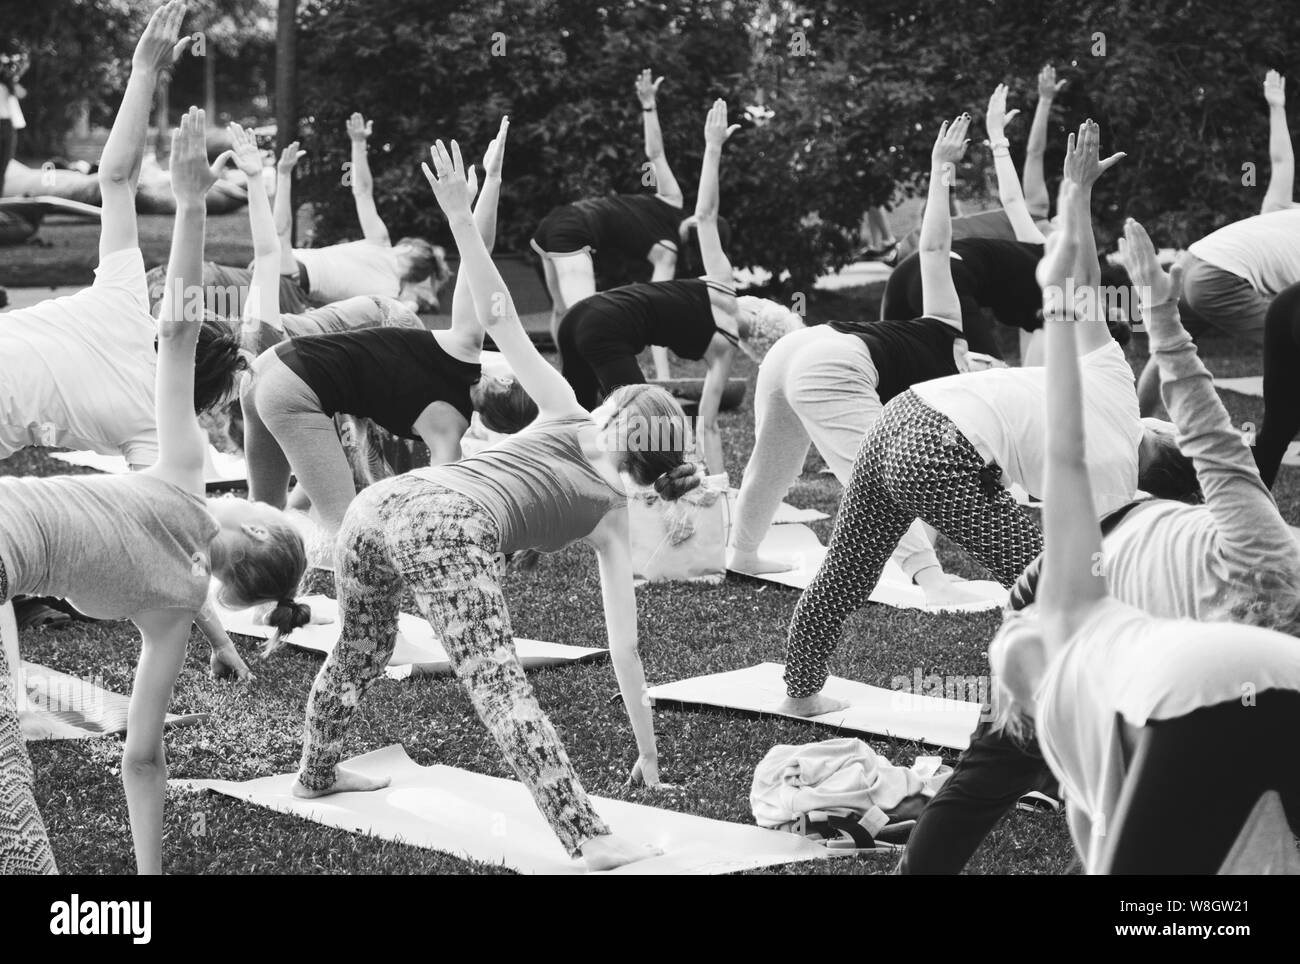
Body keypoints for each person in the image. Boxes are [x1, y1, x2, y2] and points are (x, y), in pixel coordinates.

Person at [290, 135, 700, 872]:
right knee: (497, 683)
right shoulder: (613, 513)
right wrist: (646, 749)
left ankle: (316, 772)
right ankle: (588, 835)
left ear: (616, 418)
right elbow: (625, 648)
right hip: (444, 522)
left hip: (380, 504)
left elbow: (504, 315)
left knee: (360, 646)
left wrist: (467, 214)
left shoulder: (569, 412)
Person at [901, 217, 1300, 874]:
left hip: (1203, 691)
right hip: (1232, 684)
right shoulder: (1096, 590)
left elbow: (1086, 447)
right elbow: (1105, 444)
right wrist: (1122, 303)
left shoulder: (1065, 594)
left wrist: (1102, 300)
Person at [777, 122, 1196, 718]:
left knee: (848, 568)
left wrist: (1076, 194)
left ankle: (801, 692)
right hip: (939, 446)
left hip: (904, 413)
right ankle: (1050, 721)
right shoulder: (1113, 487)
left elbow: (1081, 283)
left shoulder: (1115, 384)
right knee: (1049, 593)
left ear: (1159, 436)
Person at [0, 100, 311, 876]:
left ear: (262, 528)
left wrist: (195, 204)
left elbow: (175, 329)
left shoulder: (183, 471)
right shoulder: (172, 611)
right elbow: (143, 762)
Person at [728, 115, 998, 608]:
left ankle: (742, 553)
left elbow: (935, 249)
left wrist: (940, 167)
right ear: (976, 363)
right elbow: (934, 246)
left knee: (773, 466)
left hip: (800, 347)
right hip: (829, 360)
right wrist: (940, 170)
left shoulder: (943, 326)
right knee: (877, 474)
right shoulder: (949, 346)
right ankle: (930, 579)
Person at [240, 118, 536, 537]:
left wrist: (493, 180)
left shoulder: (465, 346)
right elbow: (442, 503)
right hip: (292, 386)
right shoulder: (449, 432)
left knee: (266, 517)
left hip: (264, 368)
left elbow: (478, 256)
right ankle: (279, 589)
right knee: (347, 534)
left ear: (505, 383)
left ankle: (251, 585)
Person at [0, 5, 244, 468]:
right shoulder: (157, 423)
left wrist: (144, 72)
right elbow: (181, 327)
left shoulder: (123, 298)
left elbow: (116, 182)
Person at [555, 100, 799, 474]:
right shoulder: (724, 352)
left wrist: (713, 148)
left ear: (758, 311)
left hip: (580, 318)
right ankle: (645, 499)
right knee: (647, 428)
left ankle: (564, 489)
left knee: (576, 421)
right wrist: (718, 488)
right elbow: (709, 425)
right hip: (604, 328)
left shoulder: (722, 287)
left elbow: (705, 215)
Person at [149, 111, 450, 318]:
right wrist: (358, 144)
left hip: (292, 282)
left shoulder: (392, 292)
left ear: (411, 249)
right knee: (274, 242)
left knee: (272, 244)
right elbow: (362, 191)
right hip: (289, 269)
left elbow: (362, 192)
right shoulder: (382, 247)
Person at [532, 69, 723, 379]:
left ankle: (563, 378)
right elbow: (655, 153)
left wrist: (663, 378)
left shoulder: (668, 237)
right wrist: (649, 106)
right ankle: (574, 382)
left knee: (563, 311)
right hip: (571, 229)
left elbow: (660, 315)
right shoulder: (671, 214)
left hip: (558, 223)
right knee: (586, 318)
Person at [1136, 74, 1300, 416]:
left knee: (1165, 351)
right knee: (1288, 343)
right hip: (1219, 278)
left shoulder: (1280, 211)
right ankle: (1278, 433)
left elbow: (1283, 162)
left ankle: (1134, 430)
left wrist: (1277, 107)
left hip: (1194, 261)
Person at [883, 86, 1047, 362]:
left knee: (904, 381)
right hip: (943, 276)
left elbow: (1013, 202)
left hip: (905, 276)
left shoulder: (1040, 249)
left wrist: (997, 138)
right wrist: (993, 138)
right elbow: (1013, 201)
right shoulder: (1062, 287)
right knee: (992, 380)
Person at [1254, 280, 1300, 486]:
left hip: (1286, 307)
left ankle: (1243, 513)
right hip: (1286, 311)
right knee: (1277, 428)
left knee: (1275, 430)